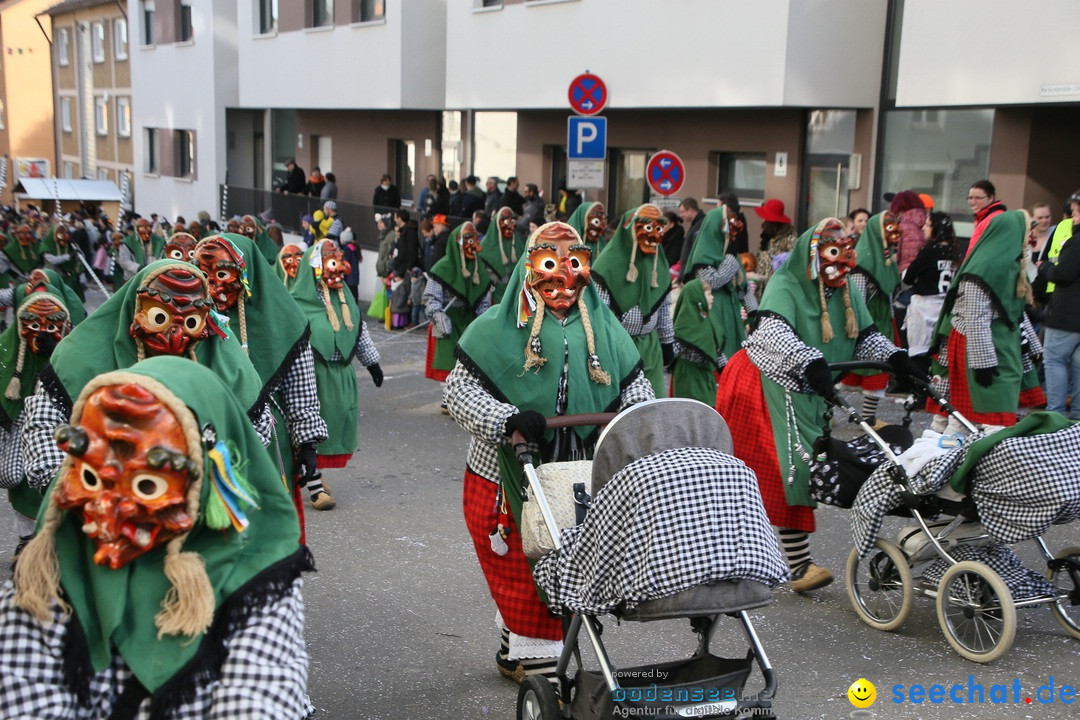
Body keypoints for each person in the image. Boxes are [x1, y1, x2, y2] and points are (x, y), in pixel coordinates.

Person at [0, 356, 314, 718]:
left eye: (146, 484)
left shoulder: (252, 583)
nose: (107, 511)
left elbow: (258, 696)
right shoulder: (52, 573)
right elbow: (23, 691)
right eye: (91, 478)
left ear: (204, 482)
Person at [445, 221, 654, 685]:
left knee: (564, 563)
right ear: (529, 266)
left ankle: (513, 654)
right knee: (521, 569)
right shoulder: (493, 328)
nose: (563, 276)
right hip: (504, 475)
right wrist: (507, 420)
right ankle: (544, 671)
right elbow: (458, 393)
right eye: (549, 263)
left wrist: (635, 425)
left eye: (574, 262)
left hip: (579, 472)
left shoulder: (603, 323)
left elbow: (636, 387)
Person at [715, 217, 919, 593]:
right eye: (833, 253)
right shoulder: (787, 283)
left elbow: (866, 337)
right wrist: (809, 359)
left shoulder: (845, 290)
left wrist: (897, 357)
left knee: (796, 473)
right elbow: (772, 331)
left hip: (807, 390)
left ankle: (783, 563)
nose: (841, 265)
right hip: (762, 384)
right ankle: (789, 564)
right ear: (813, 253)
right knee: (786, 474)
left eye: (846, 255)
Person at [20, 260, 272, 520]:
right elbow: (45, 427)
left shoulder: (227, 363)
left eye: (191, 321)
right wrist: (79, 492)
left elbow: (256, 432)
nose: (175, 336)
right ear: (135, 307)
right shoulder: (80, 357)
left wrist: (211, 480)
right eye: (159, 317)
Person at [193, 233, 328, 522]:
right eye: (203, 274)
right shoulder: (190, 320)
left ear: (245, 272)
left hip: (268, 442)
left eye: (222, 273)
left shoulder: (285, 320)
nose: (212, 285)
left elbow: (300, 386)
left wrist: (307, 443)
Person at [931, 210, 1044, 431]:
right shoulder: (982, 269)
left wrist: (1033, 344)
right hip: (978, 346)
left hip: (1000, 341)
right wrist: (983, 363)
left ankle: (960, 451)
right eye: (1026, 232)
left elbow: (1017, 313)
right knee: (987, 410)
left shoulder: (1013, 266)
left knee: (976, 411)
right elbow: (975, 319)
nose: (1030, 239)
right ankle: (959, 453)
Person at [288, 240, 383, 497]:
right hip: (313, 376)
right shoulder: (297, 303)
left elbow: (358, 330)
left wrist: (372, 362)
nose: (339, 269)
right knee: (310, 424)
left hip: (342, 375)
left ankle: (315, 474)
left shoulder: (345, 298)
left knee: (334, 425)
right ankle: (316, 487)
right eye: (331, 262)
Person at [0, 273, 82, 544]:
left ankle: (55, 540)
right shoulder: (6, 348)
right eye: (33, 324)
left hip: (58, 426)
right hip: (18, 423)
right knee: (21, 486)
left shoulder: (76, 353)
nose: (42, 331)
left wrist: (57, 351)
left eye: (53, 324)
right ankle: (26, 538)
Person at [591, 203, 674, 396]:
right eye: (647, 228)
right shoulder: (607, 265)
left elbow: (663, 310)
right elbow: (599, 316)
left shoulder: (659, 264)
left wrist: (667, 342)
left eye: (658, 228)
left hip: (650, 348)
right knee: (622, 411)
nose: (654, 235)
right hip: (617, 349)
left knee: (653, 408)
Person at [841, 210, 903, 426]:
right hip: (865, 323)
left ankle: (868, 417)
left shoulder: (889, 260)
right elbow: (857, 299)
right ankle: (827, 412)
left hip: (883, 321)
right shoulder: (863, 262)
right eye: (889, 227)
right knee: (844, 372)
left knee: (877, 372)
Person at [681, 205, 758, 371]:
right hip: (712, 312)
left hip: (731, 313)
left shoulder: (729, 253)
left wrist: (754, 312)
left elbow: (742, 286)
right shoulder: (704, 254)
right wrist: (730, 259)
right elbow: (712, 281)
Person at [423, 221, 491, 406]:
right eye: (466, 239)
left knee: (470, 361)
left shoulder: (479, 267)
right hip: (449, 318)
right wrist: (438, 316)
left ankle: (462, 397)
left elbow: (484, 297)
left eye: (473, 238)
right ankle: (448, 397)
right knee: (447, 360)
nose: (471, 243)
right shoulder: (442, 267)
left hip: (469, 320)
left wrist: (483, 321)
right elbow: (431, 297)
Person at [1036, 193, 1080, 419]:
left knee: (1054, 360)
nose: (1073, 218)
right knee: (1078, 366)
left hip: (1066, 314)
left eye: (1076, 212)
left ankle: (1056, 416)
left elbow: (1063, 274)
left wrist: (1044, 269)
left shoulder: (1077, 241)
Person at [671, 278, 724, 405]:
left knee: (708, 408)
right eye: (708, 294)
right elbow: (672, 352)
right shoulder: (685, 325)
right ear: (697, 297)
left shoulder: (709, 320)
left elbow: (717, 351)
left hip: (705, 376)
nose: (712, 298)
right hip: (688, 380)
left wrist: (727, 371)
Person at [752, 199, 798, 296]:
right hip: (762, 290)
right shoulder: (768, 236)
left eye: (764, 218)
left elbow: (793, 265)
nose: (762, 221)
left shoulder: (790, 239)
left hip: (776, 291)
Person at [478, 206, 525, 302]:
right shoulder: (486, 244)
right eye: (506, 221)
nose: (510, 226)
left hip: (515, 292)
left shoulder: (517, 242)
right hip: (493, 293)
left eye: (512, 221)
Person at [964, 179, 1006, 258]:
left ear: (991, 198)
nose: (972, 202)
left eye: (978, 198)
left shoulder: (994, 218)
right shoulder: (983, 217)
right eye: (970, 198)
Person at [674, 197, 706, 276]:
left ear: (691, 210)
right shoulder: (697, 224)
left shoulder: (699, 225)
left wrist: (685, 275)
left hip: (692, 272)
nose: (681, 215)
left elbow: (695, 250)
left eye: (682, 212)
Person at [392, 208, 422, 276]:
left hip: (406, 269)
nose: (394, 220)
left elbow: (412, 251)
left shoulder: (410, 231)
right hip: (401, 267)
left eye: (395, 217)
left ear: (400, 218)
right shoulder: (402, 231)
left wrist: (408, 269)